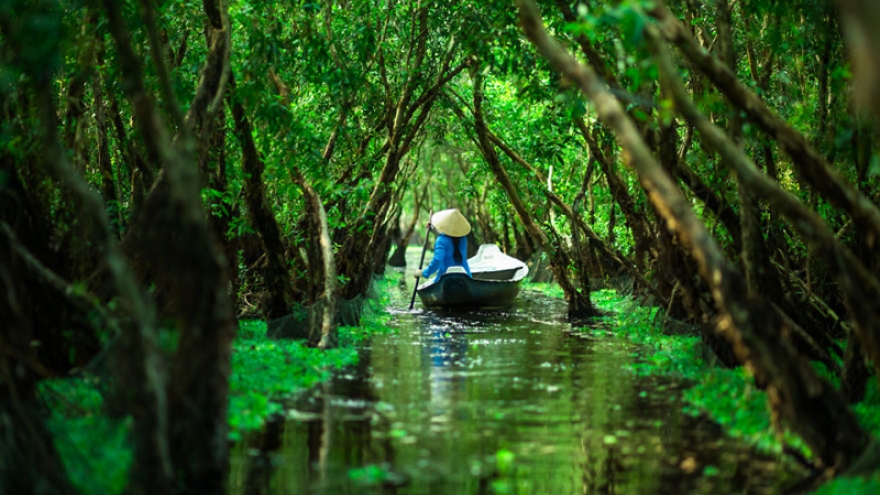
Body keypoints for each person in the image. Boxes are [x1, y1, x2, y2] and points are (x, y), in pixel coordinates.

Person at [414, 208, 472, 282]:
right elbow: (451, 240)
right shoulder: (463, 239)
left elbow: (438, 259)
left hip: (446, 279)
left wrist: (424, 273)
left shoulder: (441, 240)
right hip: (466, 277)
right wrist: (434, 230)